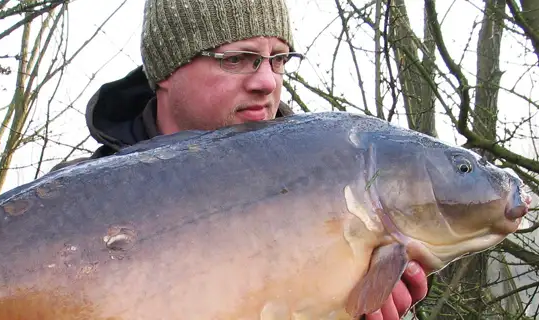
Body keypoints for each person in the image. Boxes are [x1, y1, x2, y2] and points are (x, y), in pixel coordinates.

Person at [52, 0, 429, 318]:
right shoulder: (68, 206)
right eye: (237, 60)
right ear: (168, 71)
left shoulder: (339, 190)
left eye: (278, 60)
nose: (266, 81)